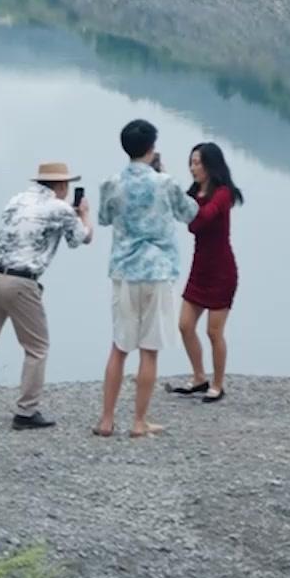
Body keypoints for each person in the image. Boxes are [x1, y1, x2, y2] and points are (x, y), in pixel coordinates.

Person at [0, 160, 93, 431]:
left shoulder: (16, 200)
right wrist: (84, 215)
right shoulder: (60, 208)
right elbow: (80, 239)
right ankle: (26, 411)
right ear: (61, 184)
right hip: (21, 282)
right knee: (37, 348)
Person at [93, 119, 196, 438]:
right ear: (152, 148)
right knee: (149, 349)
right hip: (157, 270)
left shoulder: (111, 182)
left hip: (124, 270)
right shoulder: (165, 182)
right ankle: (139, 422)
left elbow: (104, 218)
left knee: (119, 346)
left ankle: (106, 420)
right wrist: (162, 172)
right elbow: (189, 212)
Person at [167, 141, 243, 403]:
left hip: (222, 270)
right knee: (185, 325)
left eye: (197, 163)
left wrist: (187, 206)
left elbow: (202, 218)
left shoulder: (223, 194)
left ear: (211, 165)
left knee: (214, 332)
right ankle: (199, 377)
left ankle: (218, 384)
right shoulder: (193, 193)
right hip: (199, 269)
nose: (193, 168)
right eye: (191, 162)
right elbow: (183, 215)